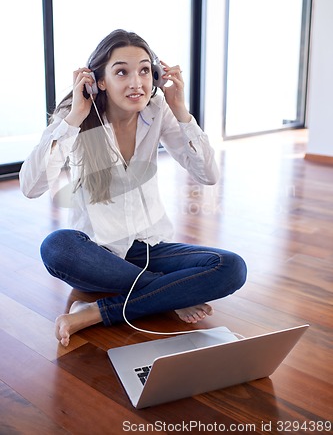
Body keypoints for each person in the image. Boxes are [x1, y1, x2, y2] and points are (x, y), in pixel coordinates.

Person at [20, 29, 247, 347]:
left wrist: (181, 110)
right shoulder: (76, 118)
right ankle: (168, 295)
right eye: (121, 72)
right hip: (96, 252)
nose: (136, 82)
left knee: (232, 268)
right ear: (99, 80)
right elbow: (31, 187)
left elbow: (208, 174)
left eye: (144, 70)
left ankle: (97, 312)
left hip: (150, 247)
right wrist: (73, 117)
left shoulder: (158, 111)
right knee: (56, 246)